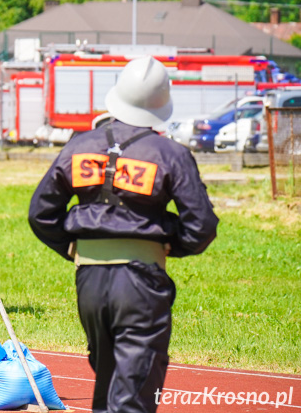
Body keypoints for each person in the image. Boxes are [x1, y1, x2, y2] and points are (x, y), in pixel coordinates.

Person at [27, 57, 219, 413]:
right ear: (162, 103)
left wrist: (73, 246)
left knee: (108, 383)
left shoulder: (78, 146)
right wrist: (165, 242)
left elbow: (41, 213)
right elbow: (202, 226)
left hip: (89, 282)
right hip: (141, 283)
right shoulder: (171, 154)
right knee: (133, 394)